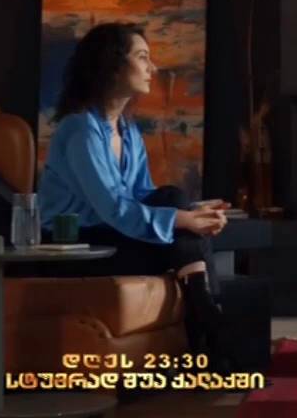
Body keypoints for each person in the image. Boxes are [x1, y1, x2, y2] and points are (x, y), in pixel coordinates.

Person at [37, 22, 233, 365]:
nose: (152, 68)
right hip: (77, 245)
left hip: (113, 235)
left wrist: (192, 211)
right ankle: (208, 322)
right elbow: (113, 207)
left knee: (173, 198)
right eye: (142, 57)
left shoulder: (127, 130)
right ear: (112, 65)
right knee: (178, 216)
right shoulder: (81, 130)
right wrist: (184, 219)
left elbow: (141, 195)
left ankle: (206, 321)